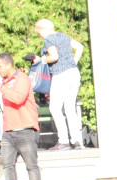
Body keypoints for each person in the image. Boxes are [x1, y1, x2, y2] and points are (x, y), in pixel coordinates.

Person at [0, 52, 42, 180]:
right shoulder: (5, 82)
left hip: (25, 129)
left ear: (8, 65)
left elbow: (18, 98)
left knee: (31, 166)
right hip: (8, 131)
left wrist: (1, 88)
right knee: (8, 166)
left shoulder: (22, 78)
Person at [33, 18, 85, 151]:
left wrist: (42, 60)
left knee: (55, 108)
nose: (39, 35)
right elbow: (80, 47)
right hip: (73, 72)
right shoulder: (63, 36)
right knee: (70, 108)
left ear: (43, 29)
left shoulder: (49, 40)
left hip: (60, 75)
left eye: (38, 32)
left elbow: (54, 56)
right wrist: (73, 61)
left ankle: (64, 141)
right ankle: (76, 140)